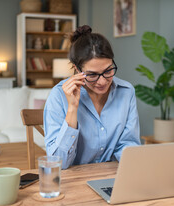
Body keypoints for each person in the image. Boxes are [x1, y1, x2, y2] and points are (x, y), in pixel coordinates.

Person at [44, 25, 141, 169]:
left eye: (108, 71)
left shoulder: (126, 92)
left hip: (112, 178)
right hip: (72, 181)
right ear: (77, 69)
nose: (102, 81)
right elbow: (58, 164)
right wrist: (72, 108)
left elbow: (127, 145)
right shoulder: (58, 96)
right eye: (92, 75)